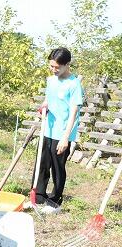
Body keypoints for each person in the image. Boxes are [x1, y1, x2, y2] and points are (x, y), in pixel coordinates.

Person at [34, 47, 83, 214]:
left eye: (57, 67)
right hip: (47, 128)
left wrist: (65, 138)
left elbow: (74, 114)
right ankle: (39, 196)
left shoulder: (74, 84)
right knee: (42, 163)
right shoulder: (51, 80)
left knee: (57, 166)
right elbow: (48, 99)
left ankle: (55, 200)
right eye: (51, 66)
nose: (53, 70)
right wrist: (44, 107)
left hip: (62, 131)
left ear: (67, 65)